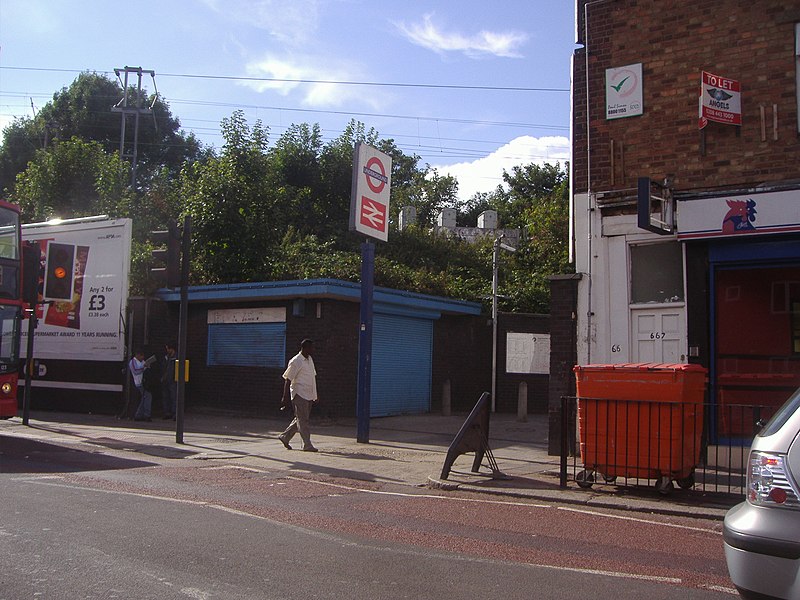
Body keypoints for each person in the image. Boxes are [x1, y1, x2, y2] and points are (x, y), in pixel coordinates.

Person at [278, 339, 319, 452]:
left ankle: (285, 437)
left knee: (301, 419)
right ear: (305, 348)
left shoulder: (310, 360)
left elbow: (312, 378)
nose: (313, 350)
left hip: (309, 394)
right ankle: (307, 444)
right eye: (311, 348)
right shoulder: (296, 361)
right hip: (299, 393)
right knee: (303, 420)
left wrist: (315, 395)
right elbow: (288, 379)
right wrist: (285, 396)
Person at [129, 350, 152, 422]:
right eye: (141, 356)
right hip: (138, 383)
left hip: (144, 382)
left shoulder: (142, 361)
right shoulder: (133, 362)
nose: (143, 358)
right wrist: (143, 367)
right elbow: (135, 371)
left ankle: (139, 415)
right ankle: (145, 414)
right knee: (147, 396)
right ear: (137, 355)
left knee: (145, 397)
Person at [161, 343, 177, 419]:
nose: (167, 350)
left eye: (168, 348)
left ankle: (174, 413)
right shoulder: (166, 357)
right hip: (165, 380)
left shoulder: (176, 358)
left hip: (173, 380)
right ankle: (167, 412)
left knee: (174, 397)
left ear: (172, 349)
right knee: (166, 396)